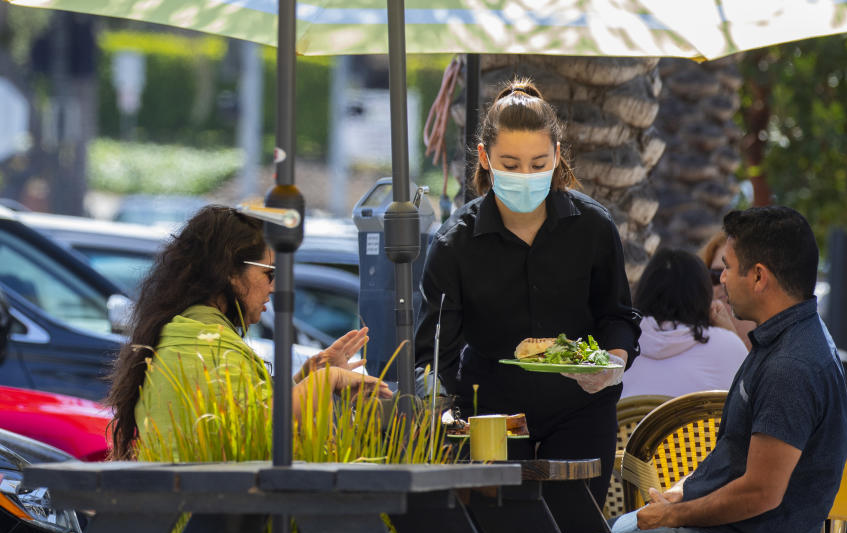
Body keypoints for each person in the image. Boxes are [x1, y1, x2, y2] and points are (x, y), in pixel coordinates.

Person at [570, 205, 847, 533]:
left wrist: (674, 515)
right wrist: (679, 500)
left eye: (729, 267)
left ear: (758, 277)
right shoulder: (786, 340)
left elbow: (761, 493)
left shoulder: (791, 364)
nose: (719, 279)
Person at [413, 78, 641, 503]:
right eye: (511, 164)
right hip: (491, 417)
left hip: (582, 409)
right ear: (485, 158)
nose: (525, 176)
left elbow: (618, 316)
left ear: (557, 156)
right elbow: (431, 353)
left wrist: (614, 363)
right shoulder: (454, 244)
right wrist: (444, 415)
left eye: (538, 164)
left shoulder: (592, 227)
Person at [107, 205, 390, 460]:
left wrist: (305, 381)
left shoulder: (184, 334)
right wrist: (326, 380)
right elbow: (258, 429)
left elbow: (237, 420)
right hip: (205, 515)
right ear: (230, 271)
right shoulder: (208, 346)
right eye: (269, 273)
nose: (273, 286)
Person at [620, 247, 747, 399]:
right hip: (698, 423)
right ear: (703, 296)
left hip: (630, 422)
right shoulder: (727, 345)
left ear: (643, 292)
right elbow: (751, 401)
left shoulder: (617, 346)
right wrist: (731, 334)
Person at [699, 230, 755, 350]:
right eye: (715, 274)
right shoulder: (694, 342)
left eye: (735, 272)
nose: (723, 281)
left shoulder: (785, 346)